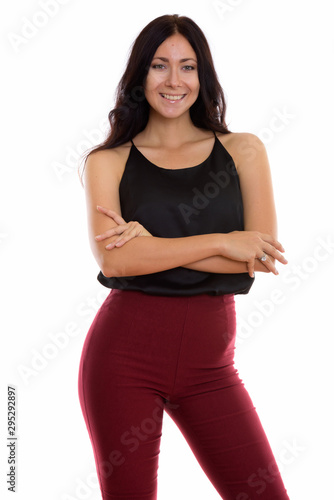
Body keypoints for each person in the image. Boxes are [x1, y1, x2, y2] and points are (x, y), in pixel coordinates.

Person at [77, 14, 290, 500]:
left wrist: (152, 246)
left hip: (211, 368)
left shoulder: (244, 152)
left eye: (188, 67)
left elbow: (259, 256)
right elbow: (117, 264)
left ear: (203, 76)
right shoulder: (107, 162)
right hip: (122, 361)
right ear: (139, 77)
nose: (174, 81)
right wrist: (220, 241)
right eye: (159, 66)